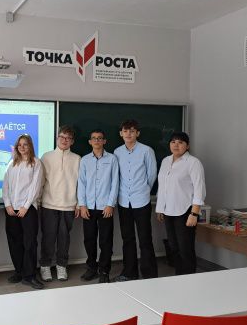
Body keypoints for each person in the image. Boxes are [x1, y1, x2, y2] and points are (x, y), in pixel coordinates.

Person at [113, 120, 158, 282]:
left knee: (145, 238)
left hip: (141, 201)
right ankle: (129, 272)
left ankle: (149, 274)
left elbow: (152, 175)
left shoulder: (147, 150)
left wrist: (144, 190)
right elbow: (116, 175)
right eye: (125, 131)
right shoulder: (117, 152)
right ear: (121, 133)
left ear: (137, 133)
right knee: (128, 239)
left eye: (132, 131)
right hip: (124, 201)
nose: (129, 134)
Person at [156, 132, 206, 275]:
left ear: (187, 146)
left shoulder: (193, 163)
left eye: (180, 142)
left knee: (185, 248)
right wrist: (160, 208)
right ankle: (179, 277)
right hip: (168, 211)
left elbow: (199, 189)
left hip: (185, 211)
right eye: (173, 142)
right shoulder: (166, 161)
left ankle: (189, 279)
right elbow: (162, 186)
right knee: (173, 247)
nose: (176, 145)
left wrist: (194, 213)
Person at [39, 125, 81, 282]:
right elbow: (40, 182)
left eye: (68, 138)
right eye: (62, 137)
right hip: (49, 205)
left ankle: (61, 266)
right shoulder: (46, 157)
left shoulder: (77, 159)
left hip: (69, 205)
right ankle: (45, 266)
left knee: (64, 238)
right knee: (48, 237)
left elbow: (81, 184)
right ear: (57, 138)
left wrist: (79, 204)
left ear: (72, 141)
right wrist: (38, 201)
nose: (65, 140)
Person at [77, 129, 119, 283]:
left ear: (104, 141)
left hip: (105, 207)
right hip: (88, 207)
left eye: (100, 138)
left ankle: (104, 271)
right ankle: (92, 268)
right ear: (90, 142)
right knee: (89, 239)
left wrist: (110, 204)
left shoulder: (112, 159)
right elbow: (81, 183)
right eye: (94, 138)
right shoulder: (84, 160)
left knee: (105, 241)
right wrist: (82, 205)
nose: (96, 140)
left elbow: (115, 183)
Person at [2, 134, 44, 290]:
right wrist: (7, 205)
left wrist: (26, 206)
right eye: (19, 145)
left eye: (25, 144)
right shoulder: (12, 163)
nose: (22, 147)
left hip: (28, 209)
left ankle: (30, 275)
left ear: (30, 146)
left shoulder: (36, 163)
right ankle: (19, 271)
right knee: (14, 242)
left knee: (30, 243)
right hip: (11, 209)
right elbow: (5, 186)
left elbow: (35, 186)